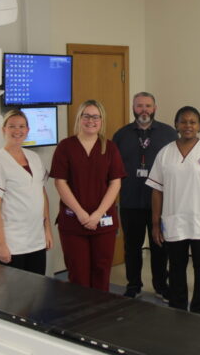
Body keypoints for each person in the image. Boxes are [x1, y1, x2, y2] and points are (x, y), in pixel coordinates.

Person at [146, 106, 200, 315]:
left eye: (193, 122)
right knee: (176, 268)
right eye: (183, 121)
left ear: (199, 125)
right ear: (176, 125)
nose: (188, 126)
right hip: (174, 221)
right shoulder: (165, 153)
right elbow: (157, 191)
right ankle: (178, 309)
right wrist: (156, 223)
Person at [50, 100, 126, 291]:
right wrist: (81, 214)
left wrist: (98, 214)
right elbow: (60, 182)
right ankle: (80, 318)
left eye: (95, 117)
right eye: (86, 116)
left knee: (101, 272)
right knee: (78, 275)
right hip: (73, 223)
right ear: (79, 118)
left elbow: (115, 182)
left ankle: (99, 318)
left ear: (101, 120)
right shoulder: (65, 147)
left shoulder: (109, 148)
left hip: (103, 222)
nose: (91, 120)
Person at [112, 92, 175, 300]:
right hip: (130, 201)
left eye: (148, 106)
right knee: (132, 247)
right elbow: (113, 170)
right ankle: (133, 284)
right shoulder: (121, 135)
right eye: (139, 106)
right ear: (133, 107)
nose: (144, 110)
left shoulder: (169, 134)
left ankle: (160, 285)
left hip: (161, 202)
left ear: (155, 108)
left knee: (160, 246)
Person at [0, 109, 53, 274]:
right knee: (14, 295)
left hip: (36, 240)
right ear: (4, 130)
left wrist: (47, 230)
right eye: (12, 126)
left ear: (28, 130)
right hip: (12, 243)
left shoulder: (34, 158)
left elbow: (41, 195)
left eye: (22, 126)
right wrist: (1, 245)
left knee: (36, 291)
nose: (18, 131)